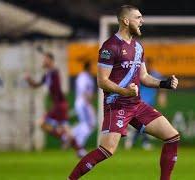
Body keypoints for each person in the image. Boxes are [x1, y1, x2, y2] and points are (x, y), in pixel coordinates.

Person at [68, 5, 180, 180]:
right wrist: (124, 91)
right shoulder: (110, 47)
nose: (142, 21)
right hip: (117, 105)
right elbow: (102, 81)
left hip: (136, 104)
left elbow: (144, 77)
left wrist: (164, 84)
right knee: (106, 150)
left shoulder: (138, 47)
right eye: (138, 18)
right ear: (126, 21)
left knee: (172, 136)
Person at [25, 52, 85, 157]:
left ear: (50, 60)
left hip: (59, 105)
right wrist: (29, 79)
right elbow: (36, 85)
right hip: (59, 105)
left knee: (41, 123)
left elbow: (54, 70)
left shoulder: (54, 72)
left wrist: (48, 64)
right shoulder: (47, 75)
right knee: (66, 129)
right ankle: (79, 150)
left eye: (45, 59)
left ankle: (64, 138)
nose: (43, 61)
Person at [125, 59, 167, 150]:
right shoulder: (136, 74)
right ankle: (139, 142)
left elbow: (161, 87)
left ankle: (136, 142)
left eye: (147, 64)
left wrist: (162, 97)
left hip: (149, 103)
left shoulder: (155, 75)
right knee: (141, 124)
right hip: (137, 103)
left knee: (144, 124)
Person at [71, 61, 97, 155]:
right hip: (83, 103)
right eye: (92, 67)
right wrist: (88, 103)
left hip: (85, 103)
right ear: (88, 67)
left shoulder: (87, 77)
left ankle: (71, 135)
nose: (93, 69)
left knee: (88, 124)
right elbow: (83, 91)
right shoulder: (83, 77)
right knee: (88, 125)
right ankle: (79, 147)